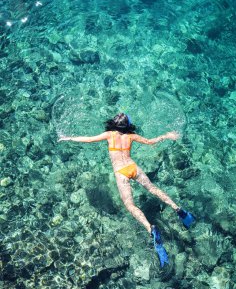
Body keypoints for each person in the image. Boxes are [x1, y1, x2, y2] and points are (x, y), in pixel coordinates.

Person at [58, 113, 195, 267]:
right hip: (133, 167)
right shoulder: (131, 136)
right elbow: (150, 142)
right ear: (127, 125)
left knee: (130, 205)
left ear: (115, 124)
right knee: (153, 189)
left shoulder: (109, 135)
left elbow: (88, 139)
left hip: (121, 172)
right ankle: (179, 210)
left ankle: (151, 228)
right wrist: (167, 135)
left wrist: (68, 138)